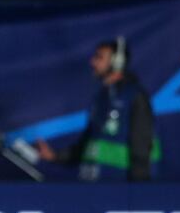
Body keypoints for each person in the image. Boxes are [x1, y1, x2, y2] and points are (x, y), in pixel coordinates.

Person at [36, 37, 158, 181]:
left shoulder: (135, 96)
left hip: (120, 190)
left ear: (117, 62)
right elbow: (88, 142)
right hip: (93, 187)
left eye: (99, 57)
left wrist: (139, 192)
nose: (92, 62)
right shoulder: (101, 97)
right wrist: (55, 156)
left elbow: (142, 146)